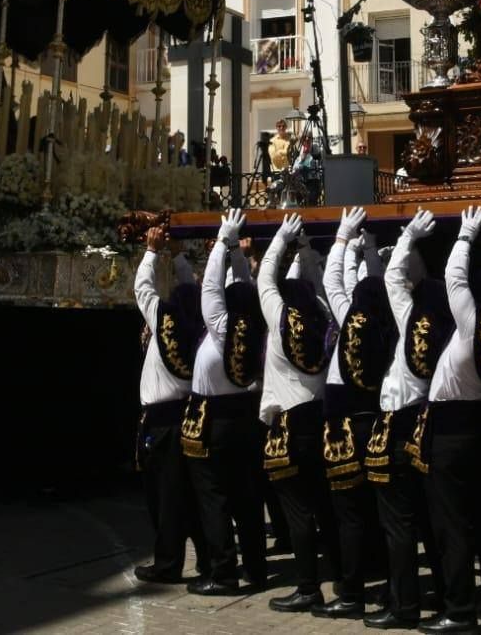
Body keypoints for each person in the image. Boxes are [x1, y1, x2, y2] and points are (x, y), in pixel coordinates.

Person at [418, 205, 481, 634]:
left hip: (452, 433)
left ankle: (459, 610)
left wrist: (465, 236)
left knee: (453, 527)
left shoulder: (473, 324)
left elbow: (454, 278)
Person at [256, 215, 340, 613]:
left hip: (288, 424)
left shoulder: (279, 322)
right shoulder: (324, 319)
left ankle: (308, 587)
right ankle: (343, 579)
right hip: (320, 422)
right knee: (325, 506)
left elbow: (264, 281)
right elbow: (321, 287)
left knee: (298, 513)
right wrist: (305, 250)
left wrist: (281, 239)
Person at [183, 210, 269, 596]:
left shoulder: (222, 328)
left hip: (213, 417)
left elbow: (211, 290)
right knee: (246, 495)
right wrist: (234, 250)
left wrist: (223, 240)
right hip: (243, 416)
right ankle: (255, 566)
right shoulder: (252, 326)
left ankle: (223, 572)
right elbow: (242, 285)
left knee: (214, 498)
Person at [369, 210, 443, 630]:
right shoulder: (447, 325)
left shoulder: (415, 324)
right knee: (424, 523)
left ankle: (404, 605)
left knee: (398, 527)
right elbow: (405, 280)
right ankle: (430, 597)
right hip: (422, 425)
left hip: (399, 425)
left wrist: (408, 238)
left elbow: (395, 282)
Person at [316, 208, 389, 619]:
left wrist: (343, 238)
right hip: (374, 424)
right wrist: (373, 250)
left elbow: (332, 282)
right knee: (374, 510)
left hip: (344, 429)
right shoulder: (389, 320)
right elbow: (375, 285)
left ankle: (351, 592)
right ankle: (380, 577)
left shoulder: (353, 321)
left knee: (348, 513)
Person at [132, 226, 208, 584]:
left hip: (163, 422)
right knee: (188, 496)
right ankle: (207, 559)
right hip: (187, 415)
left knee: (165, 499)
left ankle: (167, 564)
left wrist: (152, 251)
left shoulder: (164, 322)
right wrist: (176, 256)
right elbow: (193, 290)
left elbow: (142, 289)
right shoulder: (200, 327)